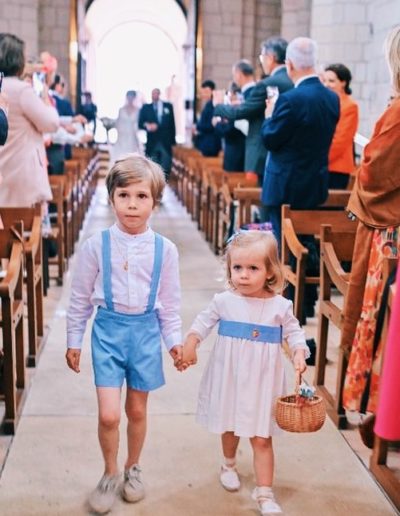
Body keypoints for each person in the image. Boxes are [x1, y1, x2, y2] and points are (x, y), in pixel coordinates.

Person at [65, 154, 183, 514]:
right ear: (111, 197)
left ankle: (133, 468)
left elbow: (170, 304)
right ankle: (109, 472)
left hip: (145, 333)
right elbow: (80, 298)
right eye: (124, 195)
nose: (132, 204)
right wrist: (73, 340)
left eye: (142, 196)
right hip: (108, 333)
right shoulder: (95, 246)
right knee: (109, 415)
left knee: (136, 409)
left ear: (155, 201)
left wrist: (174, 343)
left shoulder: (165, 250)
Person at [181, 230, 309, 516]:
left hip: (264, 381)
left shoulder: (279, 306)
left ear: (269, 271)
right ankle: (228, 463)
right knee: (229, 423)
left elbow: (294, 331)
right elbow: (203, 322)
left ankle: (264, 492)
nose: (243, 275)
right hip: (230, 376)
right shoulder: (224, 301)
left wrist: (299, 352)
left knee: (262, 436)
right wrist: (191, 343)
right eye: (237, 267)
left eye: (253, 268)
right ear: (229, 268)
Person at [341, 25, 400, 415]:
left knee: (376, 317)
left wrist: (362, 177)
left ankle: (372, 407)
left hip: (391, 232)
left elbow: (375, 171)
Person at [261, 37, 340, 244]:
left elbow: (270, 140)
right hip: (314, 183)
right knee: (305, 242)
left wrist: (270, 115)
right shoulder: (332, 98)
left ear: (290, 64)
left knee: (283, 247)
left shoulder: (290, 100)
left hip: (285, 186)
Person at [214, 38, 293, 183]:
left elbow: (239, 113)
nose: (262, 62)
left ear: (271, 58)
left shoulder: (268, 83)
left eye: (262, 57)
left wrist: (218, 105)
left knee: (260, 198)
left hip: (261, 152)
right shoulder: (293, 81)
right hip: (288, 151)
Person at [0, 33, 59, 207]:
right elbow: (51, 123)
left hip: (4, 166)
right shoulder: (21, 91)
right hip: (20, 172)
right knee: (23, 228)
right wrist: (44, 94)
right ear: (17, 59)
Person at [323, 63, 359, 189]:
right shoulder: (324, 102)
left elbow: (341, 140)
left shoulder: (350, 106)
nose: (326, 84)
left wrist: (318, 159)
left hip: (337, 167)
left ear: (343, 82)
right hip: (320, 165)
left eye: (331, 81)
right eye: (324, 80)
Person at [138, 88, 176, 177]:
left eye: (156, 94)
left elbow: (172, 124)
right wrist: (148, 126)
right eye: (152, 94)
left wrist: (173, 141)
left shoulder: (168, 106)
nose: (154, 95)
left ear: (159, 94)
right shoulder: (146, 107)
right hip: (152, 141)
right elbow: (140, 124)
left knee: (166, 166)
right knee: (151, 167)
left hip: (165, 142)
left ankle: (163, 186)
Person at [213, 82, 245, 172]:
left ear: (236, 94)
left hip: (236, 153)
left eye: (230, 93)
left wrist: (217, 124)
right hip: (232, 151)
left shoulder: (238, 109)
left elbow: (229, 130)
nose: (229, 97)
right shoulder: (233, 108)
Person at [193, 79, 221, 157]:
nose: (203, 95)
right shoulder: (208, 104)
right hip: (207, 142)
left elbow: (211, 125)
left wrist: (197, 127)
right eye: (202, 92)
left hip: (211, 143)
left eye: (205, 92)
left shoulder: (213, 105)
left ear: (211, 91)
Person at [112, 90, 142, 162]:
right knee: (120, 156)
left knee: (131, 157)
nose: (130, 99)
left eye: (132, 97)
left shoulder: (138, 110)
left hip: (132, 137)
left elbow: (139, 124)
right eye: (129, 97)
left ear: (134, 98)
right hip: (121, 137)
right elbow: (118, 123)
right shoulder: (121, 110)